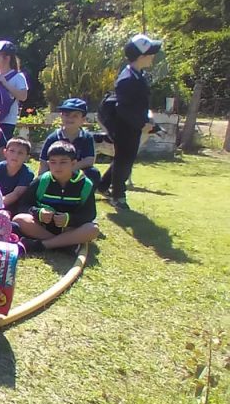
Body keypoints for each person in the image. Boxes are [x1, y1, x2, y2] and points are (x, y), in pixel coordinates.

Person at [97, 34, 162, 210]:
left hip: (131, 126)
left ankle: (102, 186)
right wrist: (141, 124)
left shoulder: (137, 75)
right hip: (124, 127)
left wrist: (148, 122)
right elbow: (123, 109)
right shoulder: (127, 79)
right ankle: (118, 196)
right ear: (141, 56)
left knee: (123, 159)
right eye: (150, 53)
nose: (152, 57)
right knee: (124, 161)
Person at [15, 141, 100, 254]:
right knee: (19, 219)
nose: (57, 167)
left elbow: (90, 214)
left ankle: (42, 245)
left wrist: (69, 219)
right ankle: (65, 245)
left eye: (63, 162)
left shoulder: (85, 184)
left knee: (93, 229)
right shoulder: (42, 181)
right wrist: (39, 212)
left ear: (73, 163)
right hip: (44, 227)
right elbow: (23, 205)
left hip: (70, 228)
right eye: (53, 162)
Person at [39, 98, 101, 186]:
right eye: (67, 115)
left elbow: (89, 160)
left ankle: (84, 196)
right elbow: (44, 162)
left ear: (83, 119)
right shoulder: (53, 137)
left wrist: (68, 170)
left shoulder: (87, 137)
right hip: (55, 172)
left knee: (93, 173)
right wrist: (41, 181)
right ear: (61, 116)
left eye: (75, 116)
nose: (70, 118)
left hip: (76, 172)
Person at [0, 138, 35, 215]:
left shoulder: (27, 174)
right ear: (5, 152)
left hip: (15, 207)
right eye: (12, 151)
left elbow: (16, 194)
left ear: (27, 157)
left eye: (20, 153)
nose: (15, 155)